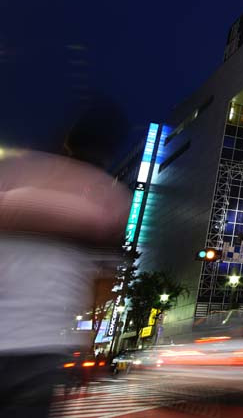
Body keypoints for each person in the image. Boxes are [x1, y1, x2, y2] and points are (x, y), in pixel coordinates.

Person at [0, 103, 131, 417]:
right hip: (41, 343)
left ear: (67, 139)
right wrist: (86, 337)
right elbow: (104, 283)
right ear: (110, 151)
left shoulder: (18, 172)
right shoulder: (109, 201)